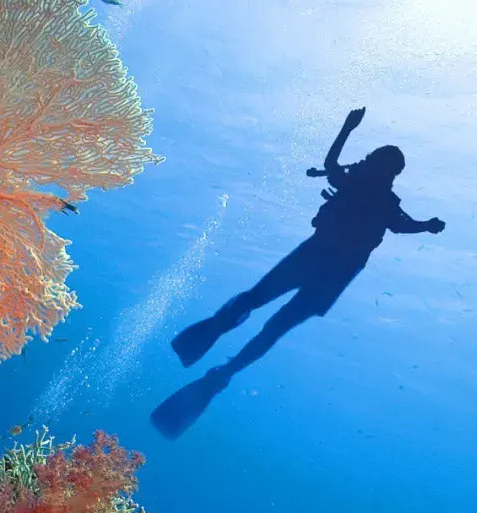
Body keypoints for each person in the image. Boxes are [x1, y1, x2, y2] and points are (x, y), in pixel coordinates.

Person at [151, 107, 445, 440]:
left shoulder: (369, 191)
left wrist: (348, 129)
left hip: (317, 261)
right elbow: (400, 223)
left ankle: (222, 354)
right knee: (268, 319)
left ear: (385, 167)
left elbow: (352, 180)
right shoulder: (373, 194)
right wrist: (426, 226)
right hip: (329, 270)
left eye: (375, 159)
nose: (369, 163)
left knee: (263, 311)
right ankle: (223, 365)